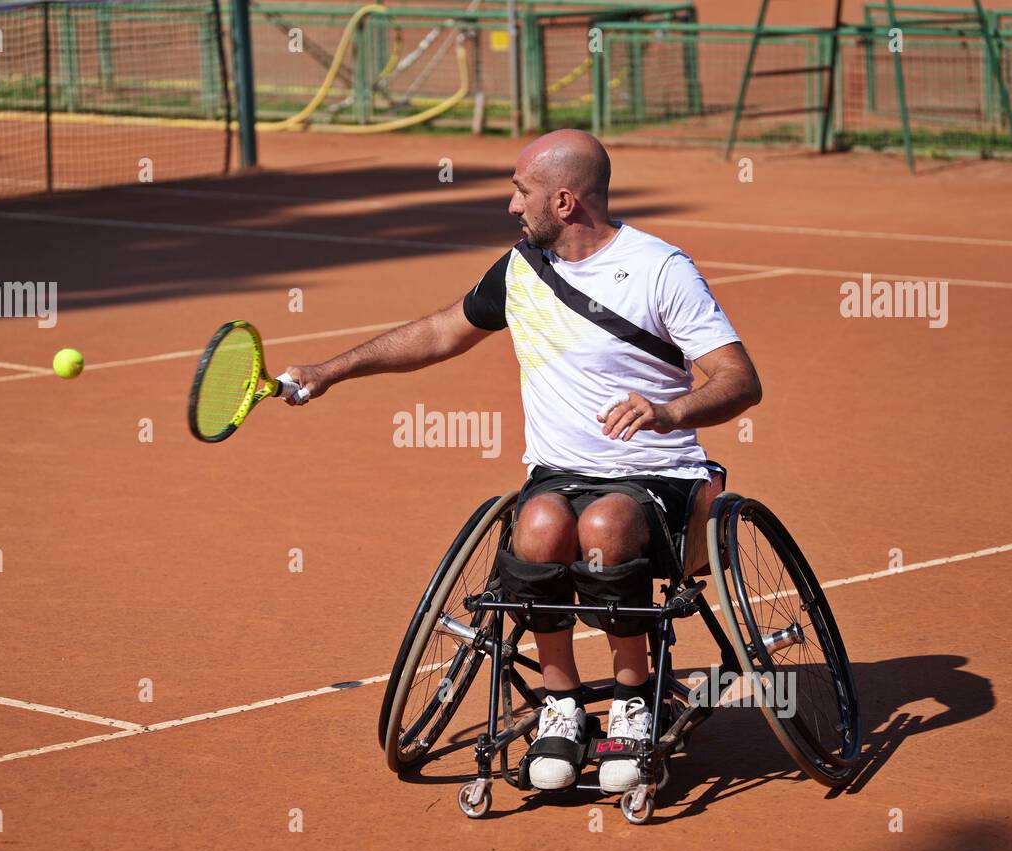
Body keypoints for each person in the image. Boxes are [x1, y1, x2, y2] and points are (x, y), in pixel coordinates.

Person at [283, 129, 761, 792]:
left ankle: (631, 699)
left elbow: (739, 379)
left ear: (564, 202)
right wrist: (330, 370)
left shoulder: (658, 269)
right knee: (536, 528)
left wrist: (669, 411)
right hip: (560, 478)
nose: (512, 206)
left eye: (521, 192)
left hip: (658, 478)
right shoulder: (521, 270)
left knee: (605, 525)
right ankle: (561, 706)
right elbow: (438, 331)